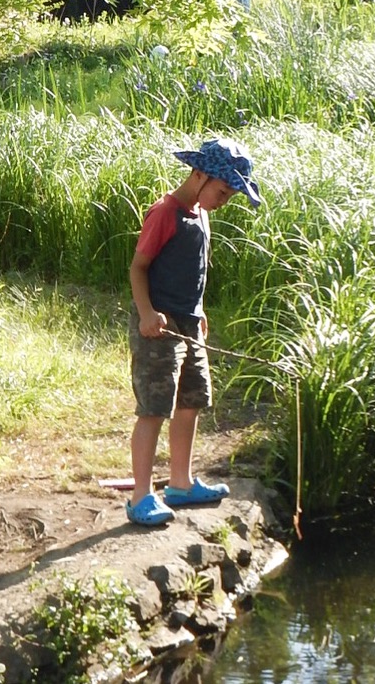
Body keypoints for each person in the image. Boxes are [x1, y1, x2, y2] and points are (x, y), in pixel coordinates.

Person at [126, 138, 262, 526]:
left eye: (231, 196)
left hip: (189, 324)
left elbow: (195, 269)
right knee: (154, 407)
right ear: (199, 174)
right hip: (160, 327)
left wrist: (198, 313)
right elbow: (138, 269)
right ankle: (140, 497)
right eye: (223, 191)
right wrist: (147, 312)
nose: (224, 200)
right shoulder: (165, 213)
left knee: (191, 399)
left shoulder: (202, 213)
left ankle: (181, 484)